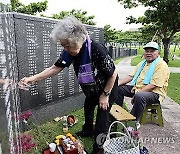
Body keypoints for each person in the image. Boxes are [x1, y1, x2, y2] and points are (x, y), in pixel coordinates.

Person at [20, 16, 118, 153]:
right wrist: (33, 79)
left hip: (107, 87)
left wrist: (105, 95)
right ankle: (88, 130)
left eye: (67, 45)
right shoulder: (70, 50)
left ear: (78, 39)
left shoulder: (96, 50)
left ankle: (98, 149)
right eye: (63, 46)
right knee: (88, 106)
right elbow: (55, 67)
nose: (66, 49)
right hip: (92, 89)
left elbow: (113, 73)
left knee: (102, 120)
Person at [116, 41, 170, 122]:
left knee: (139, 96)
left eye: (152, 51)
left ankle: (132, 122)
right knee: (118, 89)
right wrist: (115, 84)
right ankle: (119, 114)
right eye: (147, 51)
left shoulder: (161, 65)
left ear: (158, 53)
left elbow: (153, 85)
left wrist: (137, 94)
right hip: (138, 88)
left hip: (155, 93)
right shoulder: (142, 63)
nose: (149, 53)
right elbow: (131, 76)